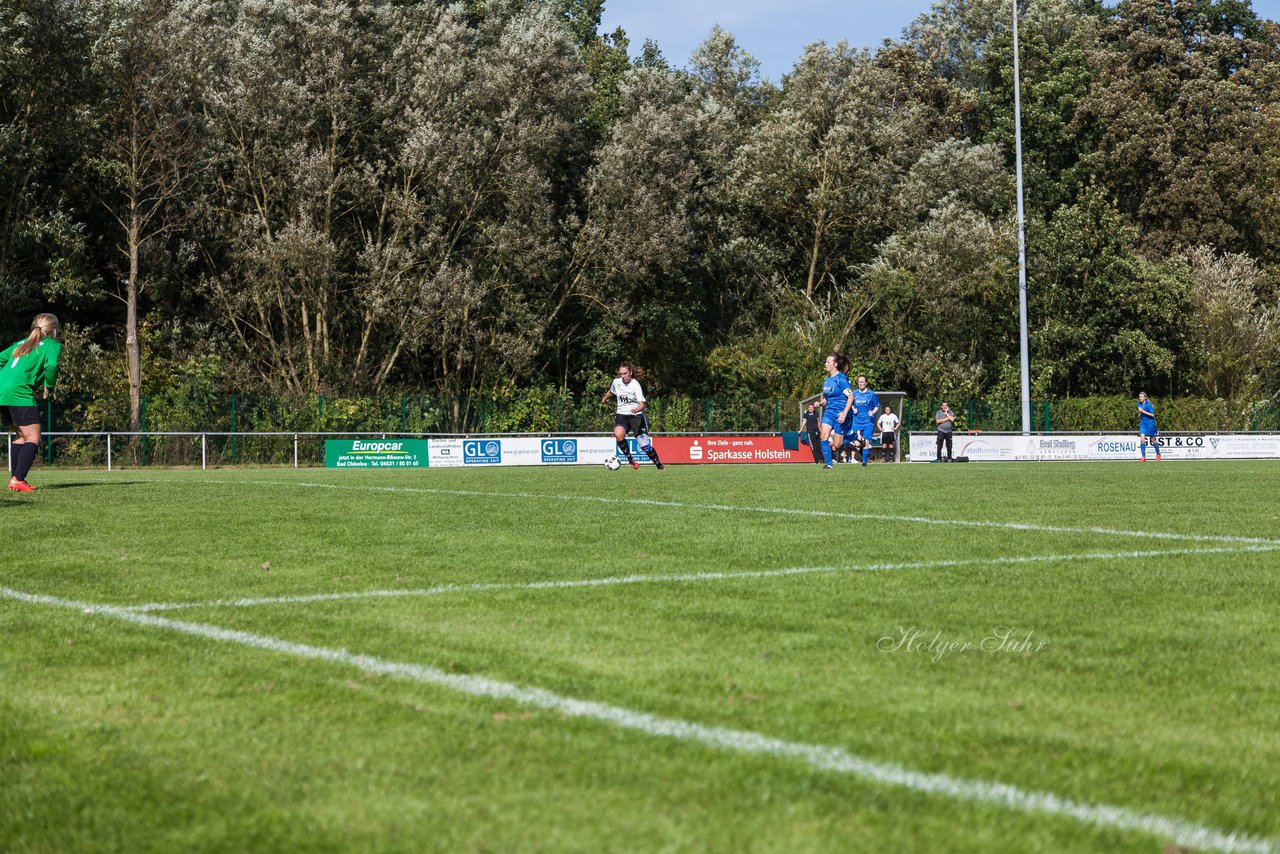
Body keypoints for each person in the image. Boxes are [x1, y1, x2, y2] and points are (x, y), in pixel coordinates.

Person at [0, 313, 62, 492]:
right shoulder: (52, 344)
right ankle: (18, 479)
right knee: (34, 438)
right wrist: (48, 386)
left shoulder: (21, 343)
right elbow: (52, 366)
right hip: (19, 393)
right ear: (54, 329)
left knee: (21, 437)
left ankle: (15, 479)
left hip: (2, 393)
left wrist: (5, 379)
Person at [601, 362, 664, 470]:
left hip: (636, 416)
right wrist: (604, 399)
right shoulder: (616, 382)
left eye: (625, 373)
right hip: (622, 415)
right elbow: (611, 391)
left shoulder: (635, 385)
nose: (623, 376)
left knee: (644, 446)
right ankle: (631, 460)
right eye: (621, 374)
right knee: (618, 434)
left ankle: (659, 465)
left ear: (630, 372)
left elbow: (642, 405)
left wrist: (636, 409)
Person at [818, 352, 854, 469]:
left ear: (835, 364)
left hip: (840, 413)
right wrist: (821, 403)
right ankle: (829, 464)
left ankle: (854, 439)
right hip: (829, 412)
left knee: (837, 444)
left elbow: (851, 397)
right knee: (823, 435)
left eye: (828, 362)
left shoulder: (841, 379)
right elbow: (827, 397)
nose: (825, 364)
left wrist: (844, 413)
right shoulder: (827, 380)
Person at [849, 374, 881, 467]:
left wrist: (873, 412)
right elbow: (849, 402)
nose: (861, 383)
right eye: (859, 382)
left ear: (866, 383)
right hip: (857, 421)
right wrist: (853, 408)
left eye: (862, 382)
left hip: (868, 422)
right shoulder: (854, 393)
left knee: (866, 441)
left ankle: (864, 463)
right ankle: (862, 446)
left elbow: (876, 406)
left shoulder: (871, 394)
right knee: (856, 442)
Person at [1137, 391, 1161, 462]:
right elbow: (1140, 411)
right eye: (1139, 397)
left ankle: (1158, 454)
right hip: (1143, 423)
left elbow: (1152, 415)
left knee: (1153, 440)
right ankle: (1143, 457)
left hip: (1150, 423)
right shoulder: (1139, 403)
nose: (1140, 398)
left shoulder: (1148, 404)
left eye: (1141, 397)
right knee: (1142, 440)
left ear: (1145, 398)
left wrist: (1143, 411)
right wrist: (1139, 414)